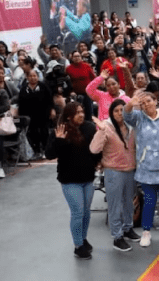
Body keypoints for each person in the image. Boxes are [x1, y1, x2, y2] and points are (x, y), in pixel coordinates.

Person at [45, 102, 100, 260]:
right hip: (70, 180)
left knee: (86, 212)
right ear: (69, 116)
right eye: (77, 113)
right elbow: (49, 154)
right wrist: (59, 140)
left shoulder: (89, 128)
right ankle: (78, 246)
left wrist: (98, 161)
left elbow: (95, 149)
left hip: (87, 177)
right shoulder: (60, 130)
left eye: (82, 111)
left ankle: (83, 238)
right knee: (78, 212)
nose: (81, 115)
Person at [124, 91, 159, 247]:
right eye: (143, 103)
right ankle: (146, 232)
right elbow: (126, 116)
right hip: (146, 167)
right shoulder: (138, 118)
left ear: (156, 101)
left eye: (149, 101)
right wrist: (131, 103)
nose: (146, 104)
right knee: (149, 201)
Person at [89, 100, 139, 251]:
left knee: (129, 203)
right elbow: (94, 149)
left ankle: (128, 228)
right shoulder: (107, 127)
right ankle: (117, 236)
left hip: (130, 170)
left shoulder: (131, 127)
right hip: (113, 171)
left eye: (122, 110)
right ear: (111, 112)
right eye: (116, 110)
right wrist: (101, 131)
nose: (119, 113)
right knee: (115, 205)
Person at [18, 69, 55, 159]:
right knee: (33, 134)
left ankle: (45, 150)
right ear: (27, 78)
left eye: (34, 76)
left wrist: (52, 109)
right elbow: (21, 102)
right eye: (30, 76)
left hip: (43, 114)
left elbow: (50, 99)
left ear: (38, 77)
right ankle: (37, 151)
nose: (33, 78)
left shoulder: (43, 86)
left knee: (44, 132)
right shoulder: (24, 89)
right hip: (30, 116)